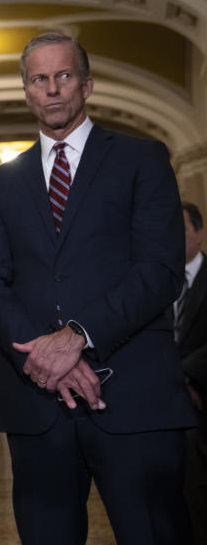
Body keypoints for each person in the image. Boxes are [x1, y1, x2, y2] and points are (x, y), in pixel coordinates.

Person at [0, 32, 195, 544]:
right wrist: (46, 361)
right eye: (38, 79)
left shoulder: (143, 159)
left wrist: (77, 337)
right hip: (38, 408)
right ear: (26, 91)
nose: (52, 89)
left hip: (134, 400)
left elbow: (160, 270)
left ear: (86, 85)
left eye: (63, 76)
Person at [173, 201, 207, 540]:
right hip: (163, 409)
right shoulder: (154, 284)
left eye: (180, 230)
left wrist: (184, 374)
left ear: (198, 233)